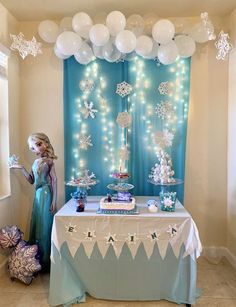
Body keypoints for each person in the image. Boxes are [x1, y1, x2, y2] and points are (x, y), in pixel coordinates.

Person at [12, 133, 57, 271]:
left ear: (46, 144)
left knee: (44, 225)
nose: (36, 149)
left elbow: (54, 181)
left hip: (45, 193)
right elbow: (31, 180)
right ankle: (35, 258)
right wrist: (21, 168)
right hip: (38, 194)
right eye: (33, 147)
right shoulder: (35, 162)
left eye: (38, 145)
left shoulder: (49, 161)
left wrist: (54, 201)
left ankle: (45, 261)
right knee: (37, 223)